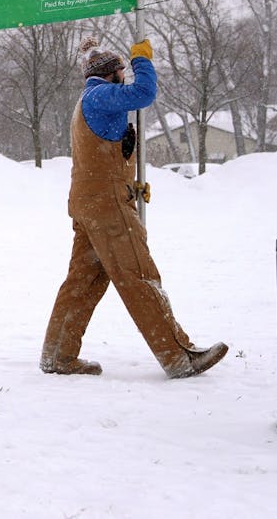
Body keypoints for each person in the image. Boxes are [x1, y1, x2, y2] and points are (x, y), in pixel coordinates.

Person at [39, 37, 227, 379]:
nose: (126, 74)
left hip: (88, 203)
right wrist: (142, 59)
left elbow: (105, 153)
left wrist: (129, 177)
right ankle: (178, 356)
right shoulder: (98, 95)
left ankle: (58, 356)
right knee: (139, 275)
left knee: (83, 281)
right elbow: (144, 94)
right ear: (111, 74)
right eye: (122, 69)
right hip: (107, 206)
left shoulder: (87, 100)